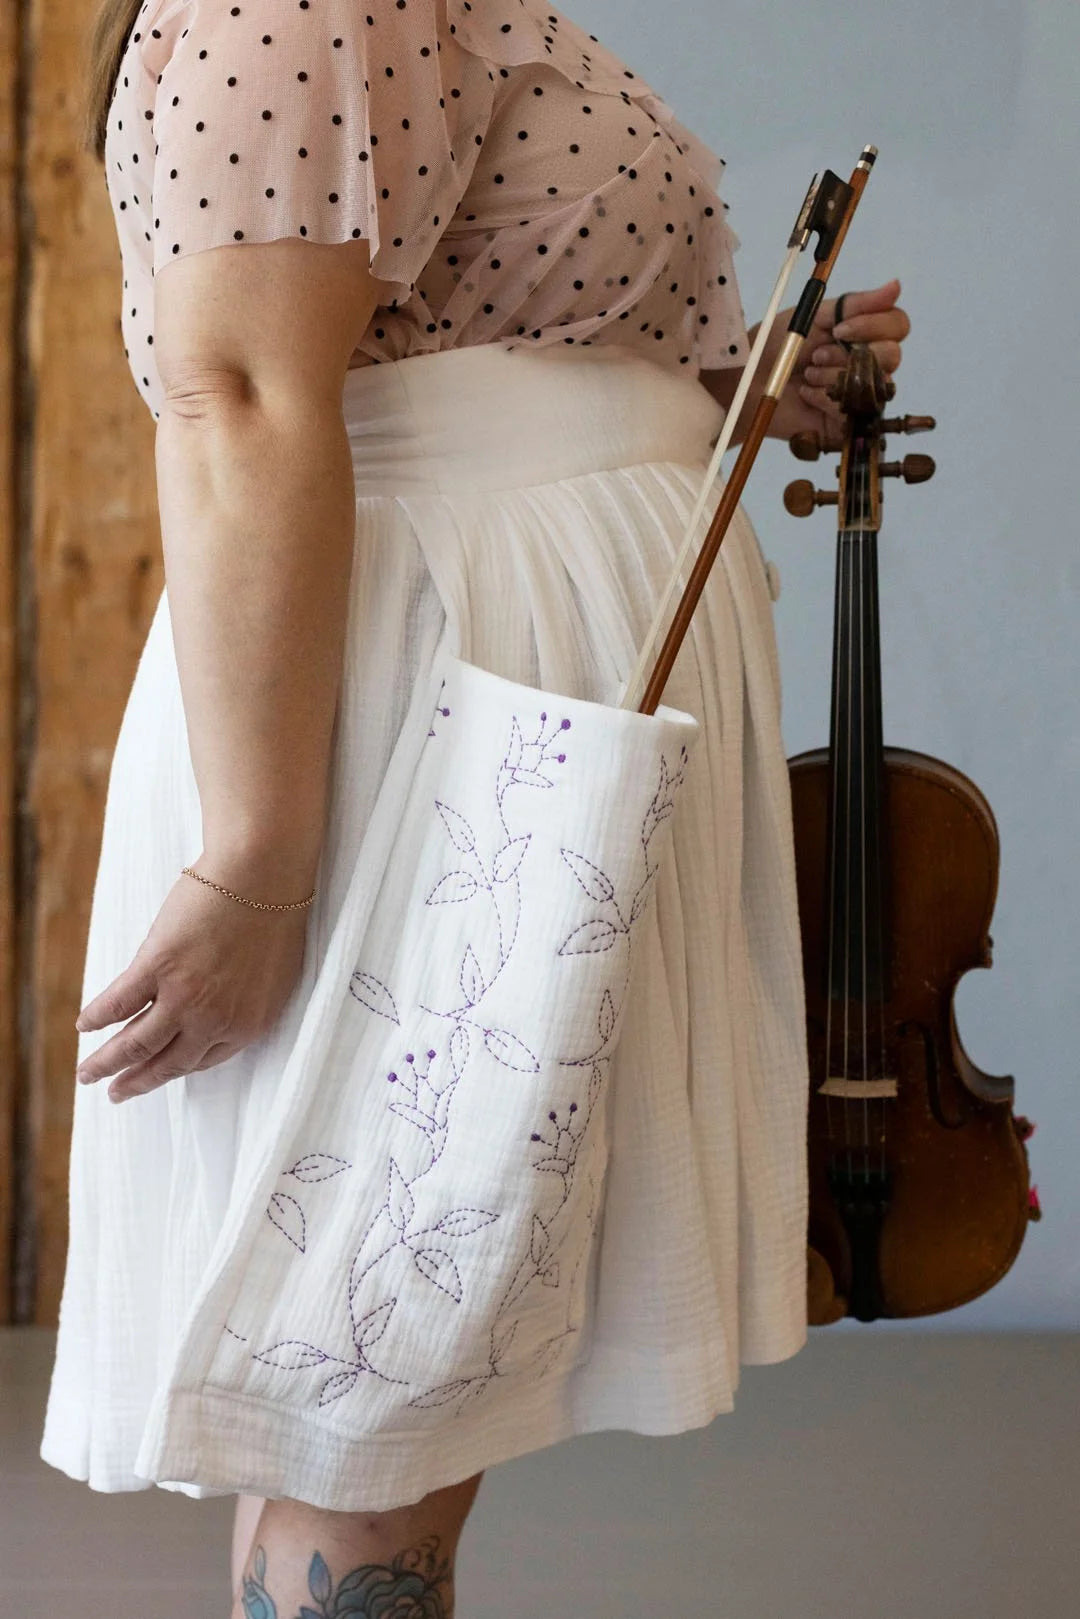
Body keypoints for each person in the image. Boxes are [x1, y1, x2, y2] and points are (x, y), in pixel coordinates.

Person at [44, 1, 910, 1613]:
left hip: (507, 690)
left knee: (385, 1399)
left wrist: (724, 390)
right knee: (376, 1375)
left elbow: (453, 324)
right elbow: (235, 392)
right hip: (447, 705)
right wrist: (255, 865)